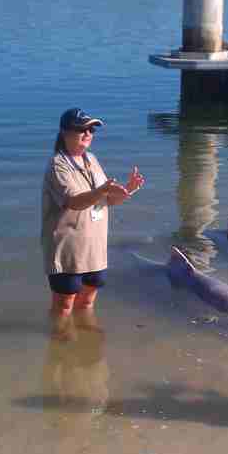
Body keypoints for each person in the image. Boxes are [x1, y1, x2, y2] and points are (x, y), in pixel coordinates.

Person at [41, 108, 145, 324]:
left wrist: (128, 190)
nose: (88, 133)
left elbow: (107, 200)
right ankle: (58, 342)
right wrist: (102, 191)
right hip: (67, 249)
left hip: (95, 248)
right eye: (82, 129)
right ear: (64, 133)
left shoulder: (91, 159)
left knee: (87, 301)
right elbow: (74, 201)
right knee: (64, 305)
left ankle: (85, 338)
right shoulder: (57, 165)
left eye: (91, 129)